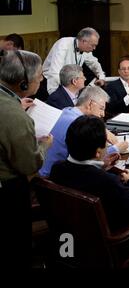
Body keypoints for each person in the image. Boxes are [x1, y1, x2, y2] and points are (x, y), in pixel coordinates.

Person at [0, 50, 52, 268]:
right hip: (8, 192)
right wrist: (44, 146)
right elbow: (29, 164)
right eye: (39, 76)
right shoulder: (15, 115)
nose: (41, 79)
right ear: (23, 83)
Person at [39, 86, 128, 177]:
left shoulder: (66, 111)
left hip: (44, 169)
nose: (103, 114)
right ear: (90, 104)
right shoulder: (78, 124)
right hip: (54, 176)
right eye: (101, 108)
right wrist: (116, 148)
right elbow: (90, 158)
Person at [43, 27, 105, 95]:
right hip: (50, 82)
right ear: (84, 41)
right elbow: (55, 72)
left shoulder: (86, 50)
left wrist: (101, 77)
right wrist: (54, 95)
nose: (94, 48)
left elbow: (94, 63)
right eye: (93, 45)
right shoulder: (63, 44)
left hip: (69, 82)